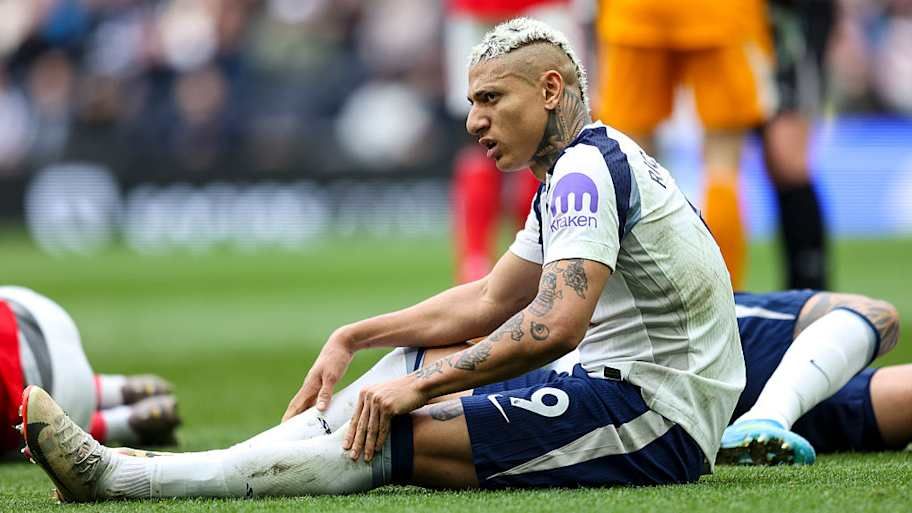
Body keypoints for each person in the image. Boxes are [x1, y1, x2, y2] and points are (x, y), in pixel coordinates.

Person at [22, 17, 745, 502]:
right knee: (408, 365)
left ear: (551, 89)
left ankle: (123, 480)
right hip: (621, 390)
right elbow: (491, 299)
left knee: (390, 427)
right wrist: (355, 336)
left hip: (655, 420)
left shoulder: (584, 172)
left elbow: (552, 326)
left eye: (492, 99)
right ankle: (184, 468)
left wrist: (418, 388)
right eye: (472, 102)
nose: (474, 121)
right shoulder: (576, 169)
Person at [595, 0, 775, 287]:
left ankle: (641, 293)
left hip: (635, 13)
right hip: (718, 14)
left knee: (630, 163)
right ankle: (726, 292)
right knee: (723, 164)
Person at [446, 0, 581, 283]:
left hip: (482, 13)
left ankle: (478, 264)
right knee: (546, 138)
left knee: (480, 136)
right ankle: (534, 257)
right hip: (536, 11)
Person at [0, 285, 180, 459]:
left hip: (58, 396)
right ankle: (111, 391)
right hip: (30, 310)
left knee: (30, 425)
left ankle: (120, 422)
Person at [760, 0, 834, 290]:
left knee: (788, 163)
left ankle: (810, 280)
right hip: (744, 26)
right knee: (768, 163)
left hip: (791, 26)